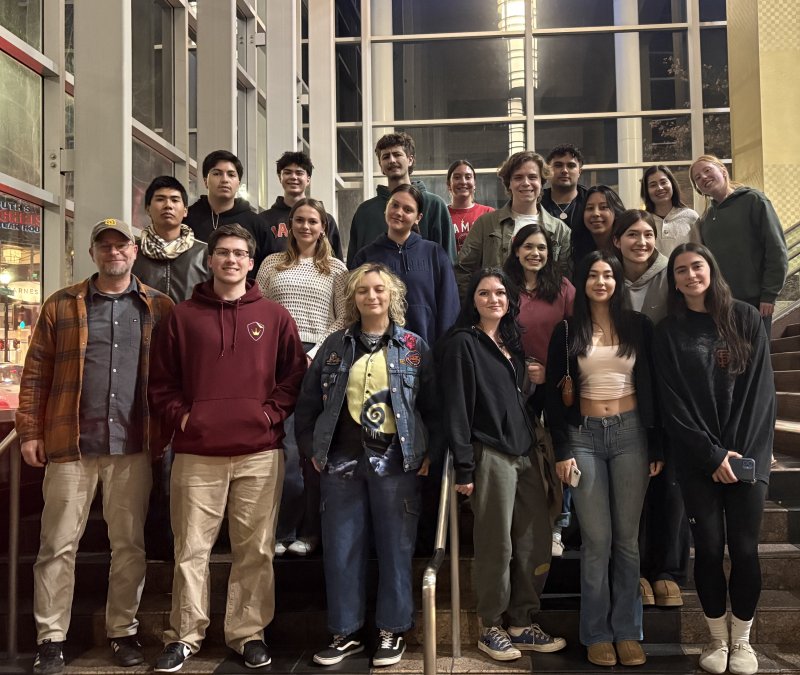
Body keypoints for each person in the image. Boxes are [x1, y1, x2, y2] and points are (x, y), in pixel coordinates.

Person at [16, 218, 174, 674]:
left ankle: (122, 630)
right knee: (57, 545)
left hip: (133, 444)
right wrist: (30, 430)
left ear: (134, 252)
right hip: (70, 444)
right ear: (93, 253)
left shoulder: (158, 306)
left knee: (129, 545)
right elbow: (36, 372)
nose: (114, 253)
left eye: (121, 246)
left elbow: (169, 377)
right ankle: (51, 637)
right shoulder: (61, 305)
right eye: (104, 246)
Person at [149, 224, 307, 672]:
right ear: (210, 260)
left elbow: (294, 376)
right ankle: (185, 635)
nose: (232, 260)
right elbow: (160, 383)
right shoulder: (181, 317)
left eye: (240, 254)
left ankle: (247, 632)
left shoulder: (274, 316)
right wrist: (185, 416)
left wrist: (269, 415)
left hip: (259, 451)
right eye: (223, 253)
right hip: (197, 452)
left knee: (255, 550)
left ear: (251, 262)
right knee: (191, 550)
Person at [294, 263, 433, 668]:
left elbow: (433, 407)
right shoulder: (334, 346)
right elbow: (307, 406)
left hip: (397, 463)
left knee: (395, 547)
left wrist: (427, 452)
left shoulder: (414, 346)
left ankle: (392, 630)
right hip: (341, 463)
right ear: (352, 298)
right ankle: (345, 632)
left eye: (379, 290)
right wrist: (311, 449)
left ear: (392, 295)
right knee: (341, 548)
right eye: (362, 291)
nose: (371, 297)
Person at [653, 243, 775, 675]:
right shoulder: (668, 332)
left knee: (743, 550)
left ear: (711, 269)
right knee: (706, 549)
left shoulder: (744, 318)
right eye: (681, 270)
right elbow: (672, 404)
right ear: (674, 280)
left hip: (747, 458)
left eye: (697, 266)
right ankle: (716, 640)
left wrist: (738, 456)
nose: (690, 275)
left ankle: (742, 642)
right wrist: (711, 454)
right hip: (697, 460)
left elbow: (760, 394)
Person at [441, 267, 566, 662]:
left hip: (526, 450)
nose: (493, 299)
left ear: (510, 300)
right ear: (472, 300)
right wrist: (464, 467)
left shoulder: (514, 341)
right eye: (484, 293)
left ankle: (521, 621)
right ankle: (491, 625)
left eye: (500, 293)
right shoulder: (463, 343)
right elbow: (457, 408)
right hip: (489, 452)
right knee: (497, 542)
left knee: (534, 539)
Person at [545, 252, 662, 668]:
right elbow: (553, 398)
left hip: (632, 436)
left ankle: (628, 631)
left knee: (626, 542)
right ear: (583, 282)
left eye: (608, 275)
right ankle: (596, 633)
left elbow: (654, 387)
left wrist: (658, 446)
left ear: (617, 282)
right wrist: (561, 451)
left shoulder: (638, 327)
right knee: (596, 541)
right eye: (592, 274)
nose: (600, 281)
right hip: (583, 438)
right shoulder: (566, 330)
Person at [256, 197, 348, 557]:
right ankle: (282, 529)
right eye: (299, 220)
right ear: (289, 224)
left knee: (316, 448)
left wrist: (314, 353)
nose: (306, 226)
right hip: (275, 359)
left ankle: (312, 532)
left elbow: (344, 318)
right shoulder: (271, 264)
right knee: (285, 448)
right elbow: (257, 310)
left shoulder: (337, 269)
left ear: (323, 226)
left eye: (313, 221)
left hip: (319, 360)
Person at [611, 209, 689, 606]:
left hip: (669, 387)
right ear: (617, 241)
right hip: (623, 389)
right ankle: (636, 568)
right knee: (633, 481)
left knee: (669, 484)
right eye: (632, 235)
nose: (641, 242)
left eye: (647, 235)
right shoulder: (607, 276)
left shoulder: (671, 274)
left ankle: (667, 569)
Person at [132, 175, 210, 561]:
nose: (167, 205)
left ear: (185, 209)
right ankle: (149, 532)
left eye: (175, 199)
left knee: (186, 448)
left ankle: (185, 533)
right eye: (159, 198)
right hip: (139, 361)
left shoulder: (204, 253)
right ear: (148, 207)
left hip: (191, 363)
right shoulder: (131, 253)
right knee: (145, 448)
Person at [502, 224, 575, 556]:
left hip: (554, 386)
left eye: (542, 248)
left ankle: (559, 525)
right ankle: (526, 525)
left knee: (560, 453)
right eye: (528, 247)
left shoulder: (562, 289)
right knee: (523, 456)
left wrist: (551, 371)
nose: (535, 253)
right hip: (511, 386)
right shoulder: (502, 287)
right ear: (516, 250)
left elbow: (577, 338)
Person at [689, 154, 787, 336]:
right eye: (697, 178)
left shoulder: (754, 200)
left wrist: (769, 295)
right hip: (723, 304)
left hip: (756, 302)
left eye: (707, 170)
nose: (703, 177)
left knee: (757, 360)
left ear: (723, 171)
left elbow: (776, 249)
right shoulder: (706, 219)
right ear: (698, 188)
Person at [350, 184, 460, 345]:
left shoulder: (434, 254)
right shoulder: (365, 257)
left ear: (418, 218)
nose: (399, 212)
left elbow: (449, 308)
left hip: (428, 351)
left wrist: (444, 351)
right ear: (386, 208)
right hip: (378, 352)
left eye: (408, 210)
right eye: (394, 205)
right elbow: (354, 309)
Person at [456, 151, 573, 296]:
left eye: (532, 177)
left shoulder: (560, 230)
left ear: (542, 182)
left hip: (543, 313)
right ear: (509, 184)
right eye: (518, 177)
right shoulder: (486, 224)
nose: (526, 183)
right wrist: (476, 304)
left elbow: (563, 280)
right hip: (496, 314)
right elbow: (462, 269)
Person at [346, 132, 456, 266]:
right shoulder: (365, 212)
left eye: (397, 154)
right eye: (386, 156)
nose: (392, 160)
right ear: (381, 166)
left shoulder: (435, 206)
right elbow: (354, 268)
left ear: (410, 160)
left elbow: (448, 263)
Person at [184, 149, 269, 277]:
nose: (225, 180)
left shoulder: (256, 224)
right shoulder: (187, 218)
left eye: (231, 175)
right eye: (217, 173)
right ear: (205, 181)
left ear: (238, 183)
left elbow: (267, 270)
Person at [258, 150, 343, 259]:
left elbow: (336, 260)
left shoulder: (326, 220)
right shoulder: (263, 220)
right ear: (280, 177)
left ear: (308, 179)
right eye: (287, 172)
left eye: (299, 173)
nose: (293, 177)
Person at [540, 144, 594, 266]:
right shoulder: (537, 203)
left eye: (571, 165)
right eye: (558, 165)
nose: (564, 170)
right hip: (545, 274)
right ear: (548, 170)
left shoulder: (591, 201)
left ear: (579, 172)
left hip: (588, 272)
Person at [641, 165, 698, 258]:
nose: (659, 188)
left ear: (672, 184)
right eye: (653, 185)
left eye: (663, 182)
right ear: (646, 191)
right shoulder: (643, 221)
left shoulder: (691, 217)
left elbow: (699, 254)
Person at [446, 159, 494, 253]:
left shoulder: (489, 213)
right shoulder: (442, 214)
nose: (463, 181)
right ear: (448, 184)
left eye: (468, 177)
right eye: (457, 177)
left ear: (474, 183)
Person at [583, 185, 625, 254]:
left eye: (603, 207)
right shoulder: (576, 249)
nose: (596, 213)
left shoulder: (625, 248)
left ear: (616, 212)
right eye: (590, 208)